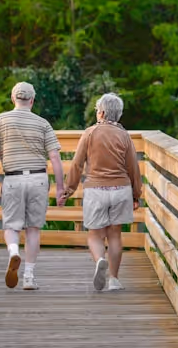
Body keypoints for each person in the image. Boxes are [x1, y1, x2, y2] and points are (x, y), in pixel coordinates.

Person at [58, 93, 142, 291]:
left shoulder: (89, 133)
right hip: (121, 189)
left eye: (97, 110)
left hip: (96, 189)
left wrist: (68, 189)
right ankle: (113, 279)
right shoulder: (124, 135)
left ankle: (99, 261)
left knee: (95, 235)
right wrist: (136, 195)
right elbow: (133, 168)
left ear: (102, 113)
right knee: (115, 235)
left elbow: (77, 164)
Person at [0, 81, 64, 290]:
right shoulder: (42, 123)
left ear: (13, 99)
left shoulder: (1, 120)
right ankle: (29, 277)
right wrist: (60, 187)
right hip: (38, 179)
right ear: (32, 100)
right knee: (33, 229)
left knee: (11, 225)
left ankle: (13, 251)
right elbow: (55, 157)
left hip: (13, 178)